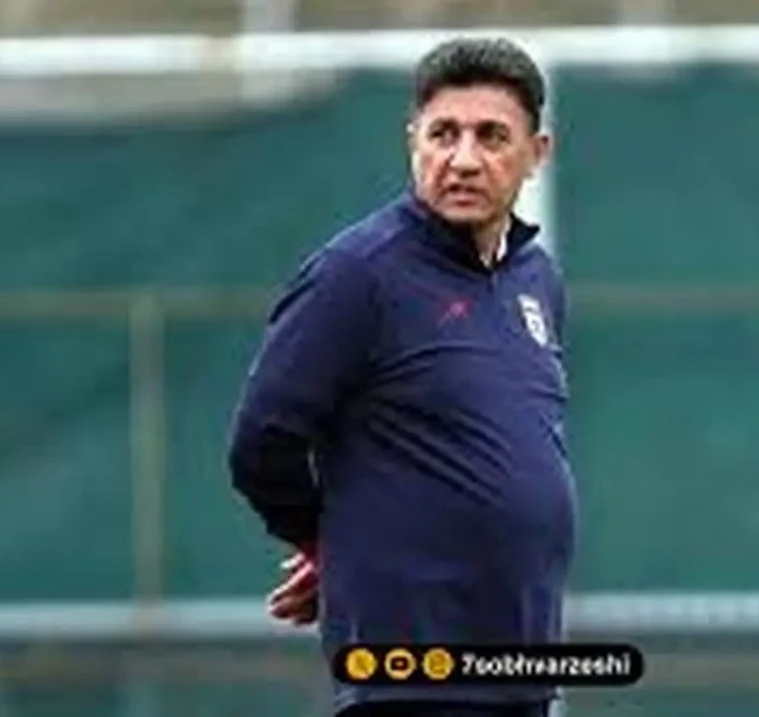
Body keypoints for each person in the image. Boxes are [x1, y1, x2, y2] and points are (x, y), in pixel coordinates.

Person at [227, 37, 576, 717]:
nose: (464, 158)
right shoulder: (359, 274)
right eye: (444, 134)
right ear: (413, 140)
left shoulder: (536, 280)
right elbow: (261, 441)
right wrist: (327, 545)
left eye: (491, 136)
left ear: (537, 153)